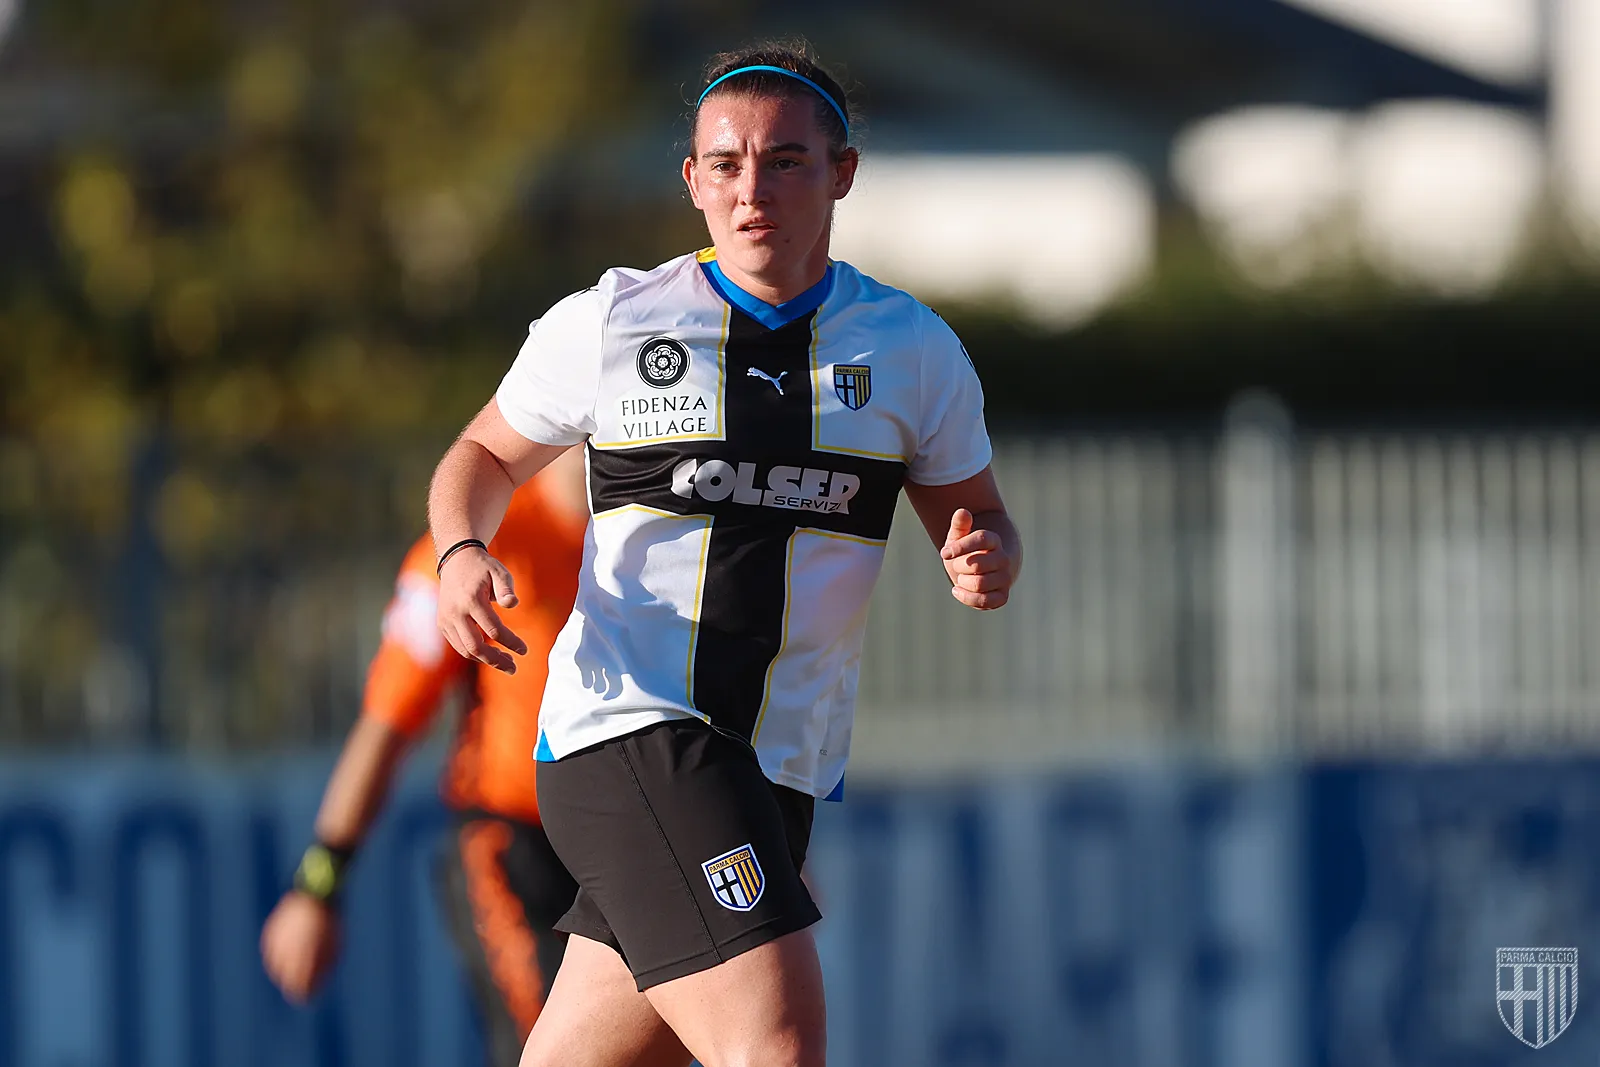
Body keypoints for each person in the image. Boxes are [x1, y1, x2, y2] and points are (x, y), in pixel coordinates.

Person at [427, 40, 1022, 1067]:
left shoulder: (912, 350)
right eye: (726, 163)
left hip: (776, 765)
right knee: (775, 1041)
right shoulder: (614, 323)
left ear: (841, 172)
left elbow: (979, 518)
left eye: (785, 161)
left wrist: (986, 558)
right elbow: (479, 454)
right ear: (693, 180)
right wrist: (459, 549)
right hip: (636, 730)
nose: (753, 189)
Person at [260, 447, 588, 1067]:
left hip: (627, 840)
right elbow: (388, 723)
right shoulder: (480, 548)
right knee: (551, 1047)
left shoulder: (658, 538)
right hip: (513, 841)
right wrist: (318, 884)